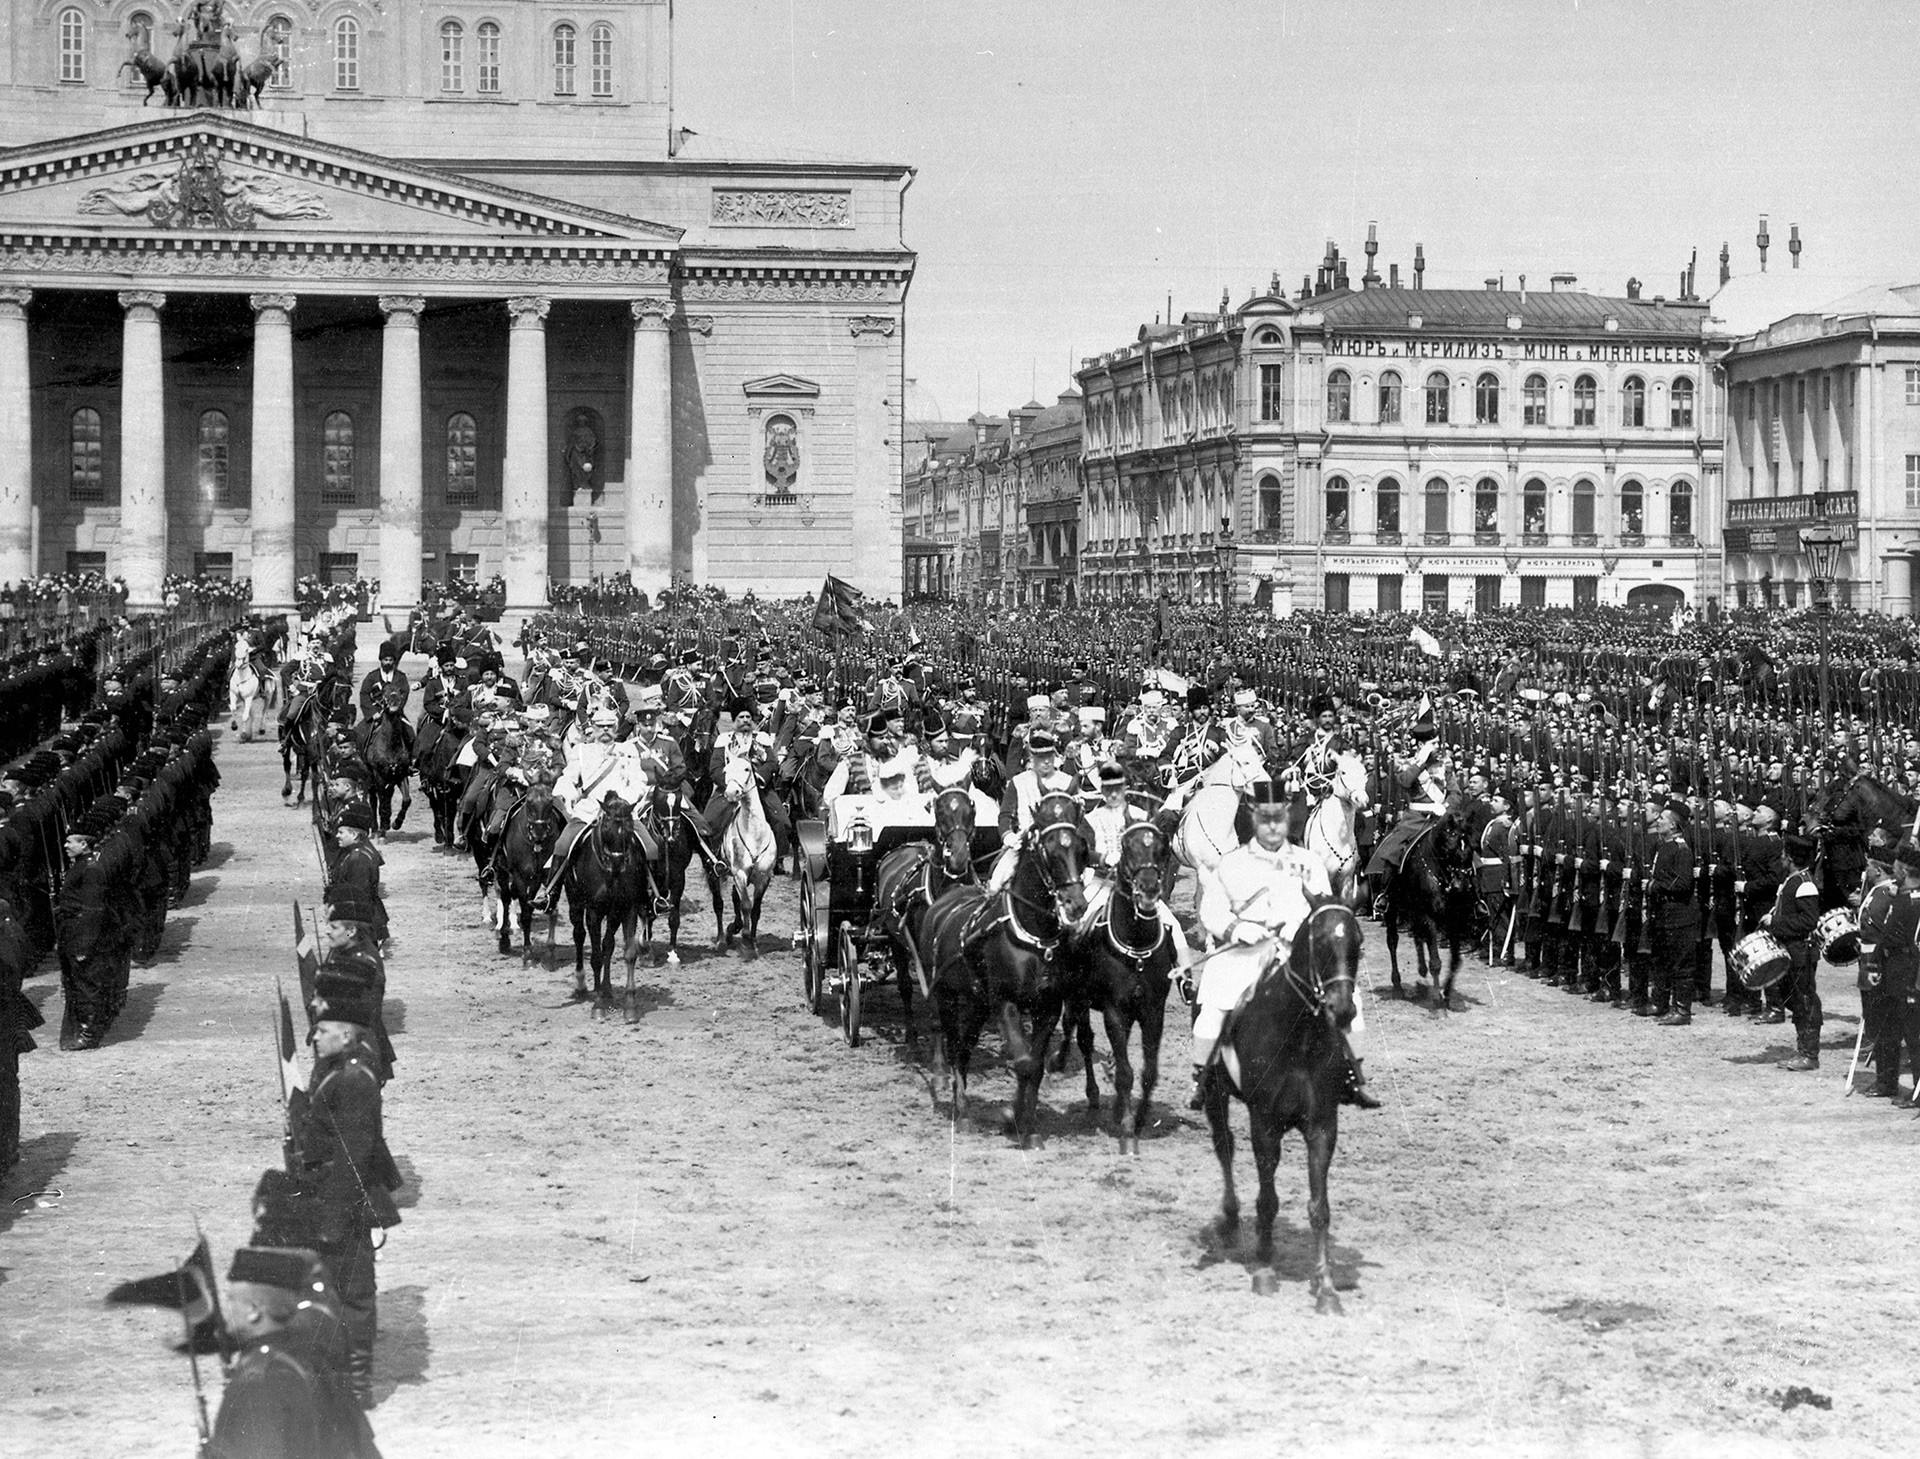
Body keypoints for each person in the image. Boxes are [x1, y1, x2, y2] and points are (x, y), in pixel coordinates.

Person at [1190, 779, 1377, 1110]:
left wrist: (1305, 928)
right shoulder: (1232, 862)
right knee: (1213, 1009)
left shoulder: (1309, 861)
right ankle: (1201, 1078)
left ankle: (1352, 1076)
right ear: (1254, 818)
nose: (1273, 826)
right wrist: (1236, 929)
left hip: (1297, 950)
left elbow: (1325, 907)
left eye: (1279, 818)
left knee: (1351, 1002)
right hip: (1245, 953)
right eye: (1266, 819)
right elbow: (1211, 910)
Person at [291, 971, 401, 1411]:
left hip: (348, 1202)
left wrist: (333, 1218)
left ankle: (356, 1388)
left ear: (347, 1034)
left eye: (322, 1030)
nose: (314, 1037)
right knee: (330, 1290)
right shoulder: (337, 1068)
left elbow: (354, 1154)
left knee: (353, 1294)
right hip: (329, 1191)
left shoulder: (354, 1079)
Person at [1765, 833, 1824, 1069]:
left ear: (1789, 858)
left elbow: (1809, 921)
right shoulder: (1793, 880)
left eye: (1783, 854)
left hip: (1801, 952)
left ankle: (1809, 1055)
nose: (1781, 858)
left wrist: (1775, 923)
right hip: (1792, 950)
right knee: (1795, 999)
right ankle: (1804, 1051)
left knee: (1805, 1000)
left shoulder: (1804, 884)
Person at [1650, 796, 1699, 1025]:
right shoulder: (1665, 846)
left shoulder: (1681, 849)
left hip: (1679, 914)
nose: (1657, 821)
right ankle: (1660, 1003)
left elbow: (1683, 883)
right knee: (1662, 960)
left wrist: (1654, 886)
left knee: (1681, 964)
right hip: (1664, 913)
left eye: (1662, 818)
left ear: (1672, 825)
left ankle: (1681, 1010)